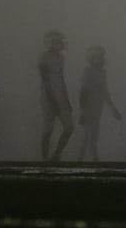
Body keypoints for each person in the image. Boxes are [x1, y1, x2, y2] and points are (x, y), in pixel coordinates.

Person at [76, 45, 122, 161]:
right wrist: (83, 111)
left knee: (95, 133)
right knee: (86, 134)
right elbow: (83, 92)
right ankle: (80, 159)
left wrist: (113, 109)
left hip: (98, 107)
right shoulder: (87, 71)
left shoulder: (102, 72)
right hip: (88, 107)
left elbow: (105, 91)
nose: (101, 59)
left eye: (102, 56)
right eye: (98, 57)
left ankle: (94, 157)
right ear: (91, 58)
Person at [38, 30, 75, 162]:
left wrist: (66, 100)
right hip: (48, 98)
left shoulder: (61, 58)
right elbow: (45, 80)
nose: (61, 44)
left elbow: (61, 78)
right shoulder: (43, 57)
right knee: (47, 129)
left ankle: (56, 155)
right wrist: (52, 100)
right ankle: (44, 158)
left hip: (61, 97)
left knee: (69, 127)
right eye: (57, 42)